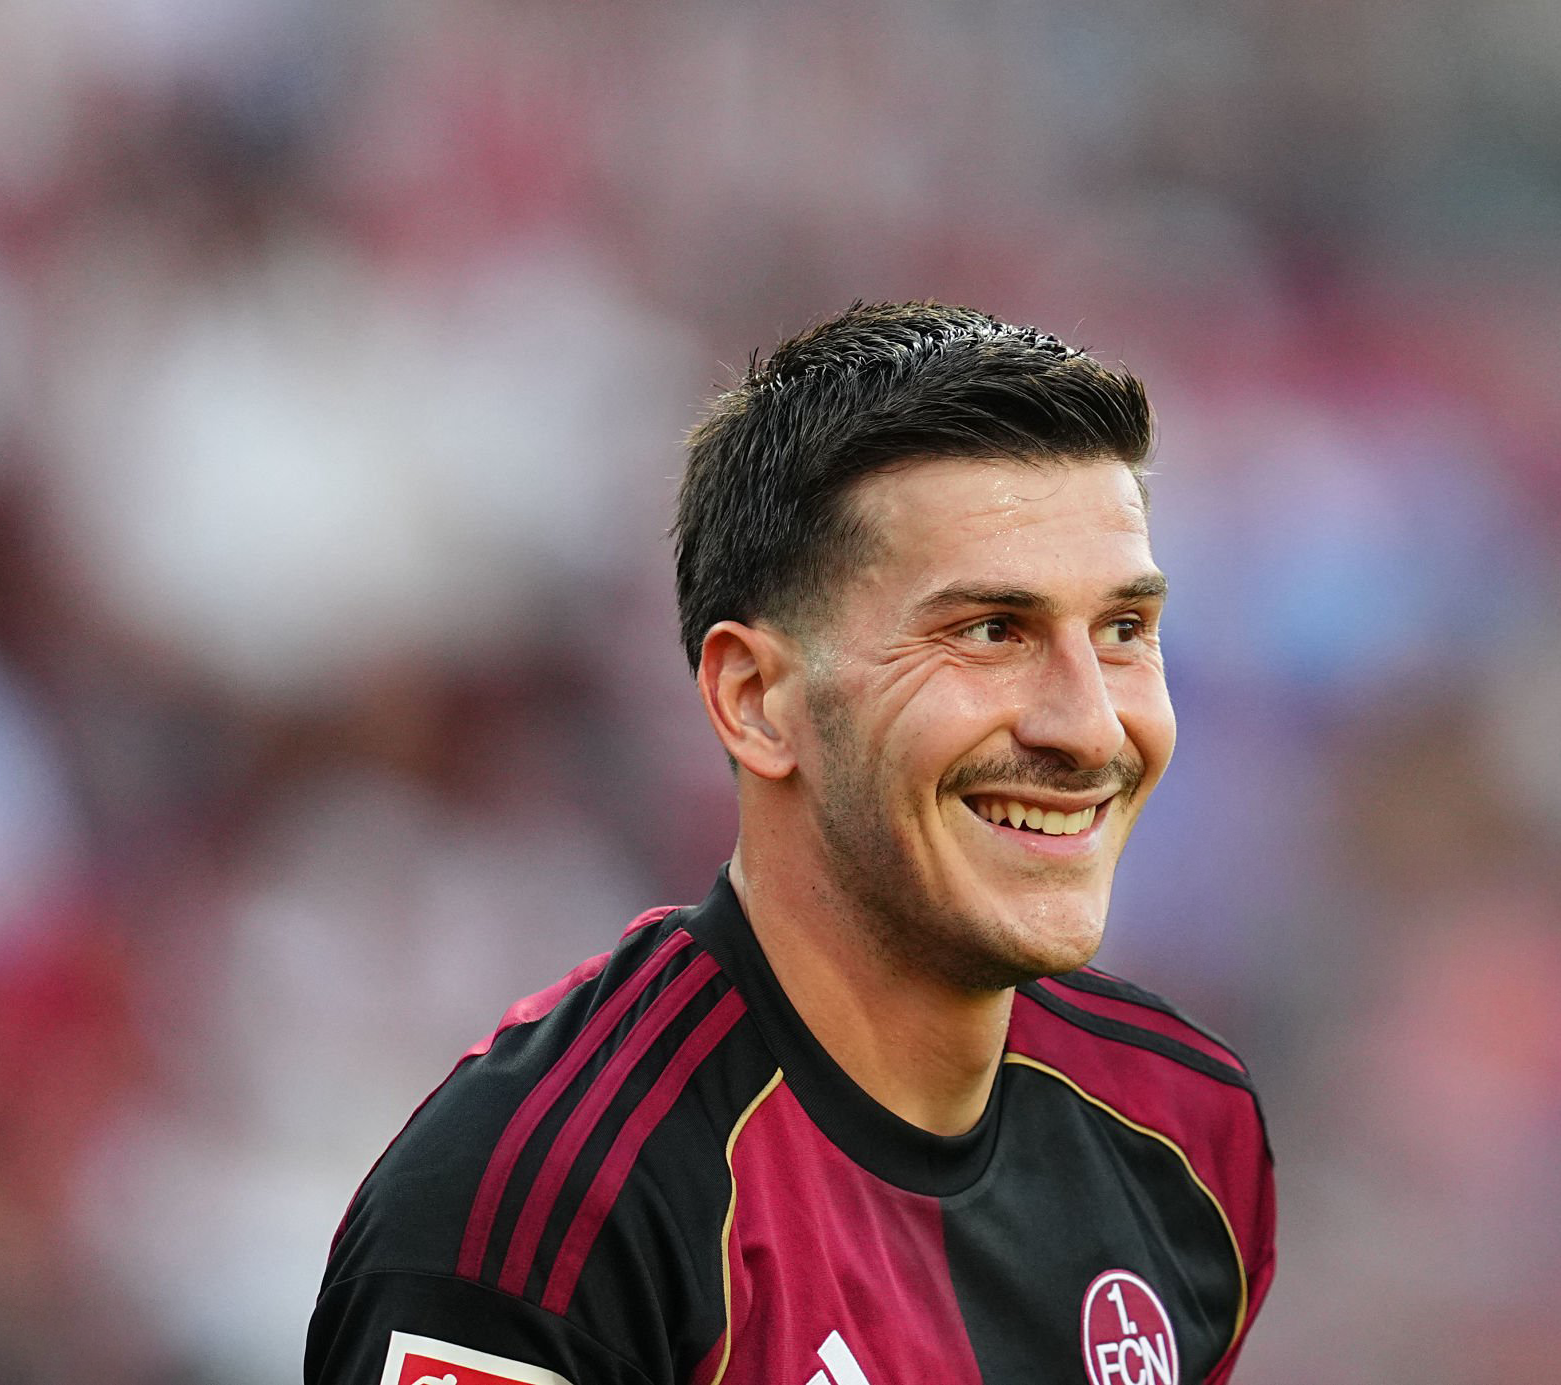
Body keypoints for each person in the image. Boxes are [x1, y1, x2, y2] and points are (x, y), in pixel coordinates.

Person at [306, 302, 1275, 1384]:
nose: (1090, 727)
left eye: (1123, 630)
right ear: (756, 698)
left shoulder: (1189, 1131)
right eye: (990, 632)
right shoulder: (543, 1220)